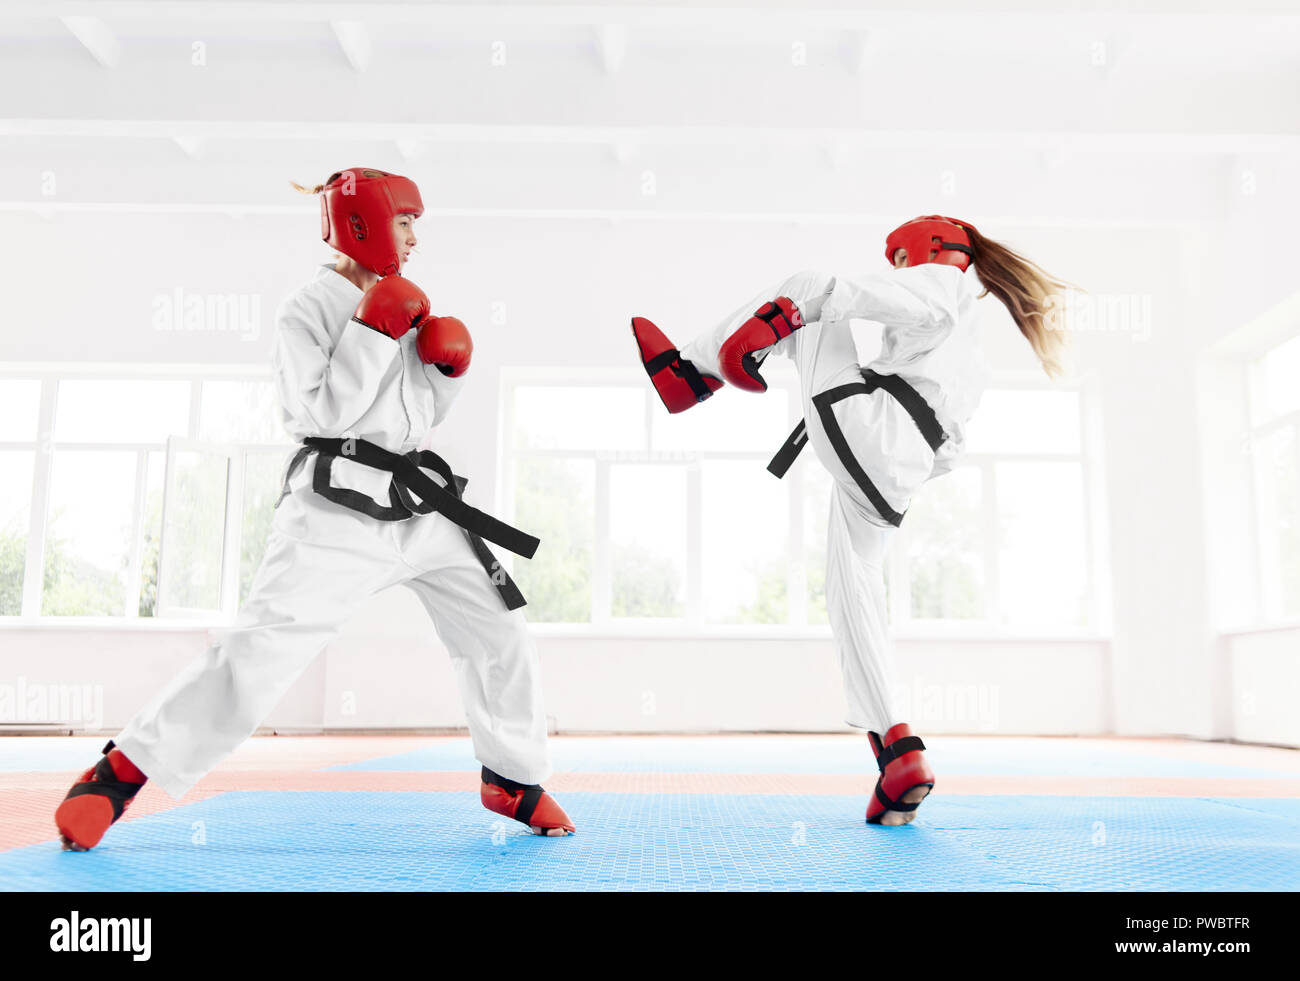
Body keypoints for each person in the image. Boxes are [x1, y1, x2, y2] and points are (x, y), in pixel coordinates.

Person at [55, 167, 575, 850]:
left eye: (417, 223)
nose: (415, 237)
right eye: (405, 221)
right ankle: (123, 769)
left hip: (420, 502)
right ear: (362, 223)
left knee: (498, 628)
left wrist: (448, 372)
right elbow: (318, 411)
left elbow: (413, 417)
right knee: (262, 646)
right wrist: (370, 329)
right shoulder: (306, 307)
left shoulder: (411, 302)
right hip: (336, 505)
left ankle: (512, 776)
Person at [631, 215, 1069, 825]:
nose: (896, 267)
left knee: (809, 289)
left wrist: (796, 312)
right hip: (900, 464)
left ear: (930, 251)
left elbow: (876, 296)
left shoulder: (942, 287)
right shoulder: (969, 349)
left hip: (876, 429)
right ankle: (896, 752)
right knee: (853, 592)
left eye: (899, 257)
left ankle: (688, 377)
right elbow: (951, 448)